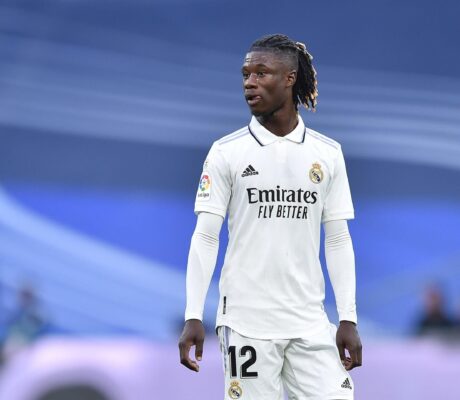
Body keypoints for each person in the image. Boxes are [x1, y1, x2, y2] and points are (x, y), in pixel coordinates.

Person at [179, 33, 362, 399]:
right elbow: (206, 236)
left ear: (290, 78)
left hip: (309, 321)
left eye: (261, 73)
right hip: (246, 323)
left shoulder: (327, 153)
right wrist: (193, 314)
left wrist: (348, 317)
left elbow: (338, 239)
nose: (250, 82)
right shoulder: (226, 152)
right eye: (246, 74)